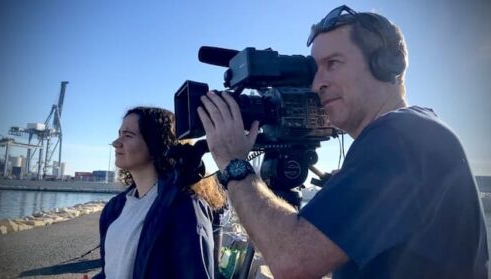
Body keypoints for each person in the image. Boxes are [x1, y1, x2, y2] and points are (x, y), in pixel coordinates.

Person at [197, 5, 489, 278]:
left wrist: (233, 163)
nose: (316, 84)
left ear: (386, 64)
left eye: (332, 63)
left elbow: (293, 260)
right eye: (315, 69)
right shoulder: (417, 131)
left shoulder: (400, 137)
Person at [94, 106, 226, 279]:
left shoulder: (184, 208)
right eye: (119, 134)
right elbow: (109, 270)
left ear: (156, 144)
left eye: (128, 135)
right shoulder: (114, 208)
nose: (116, 142)